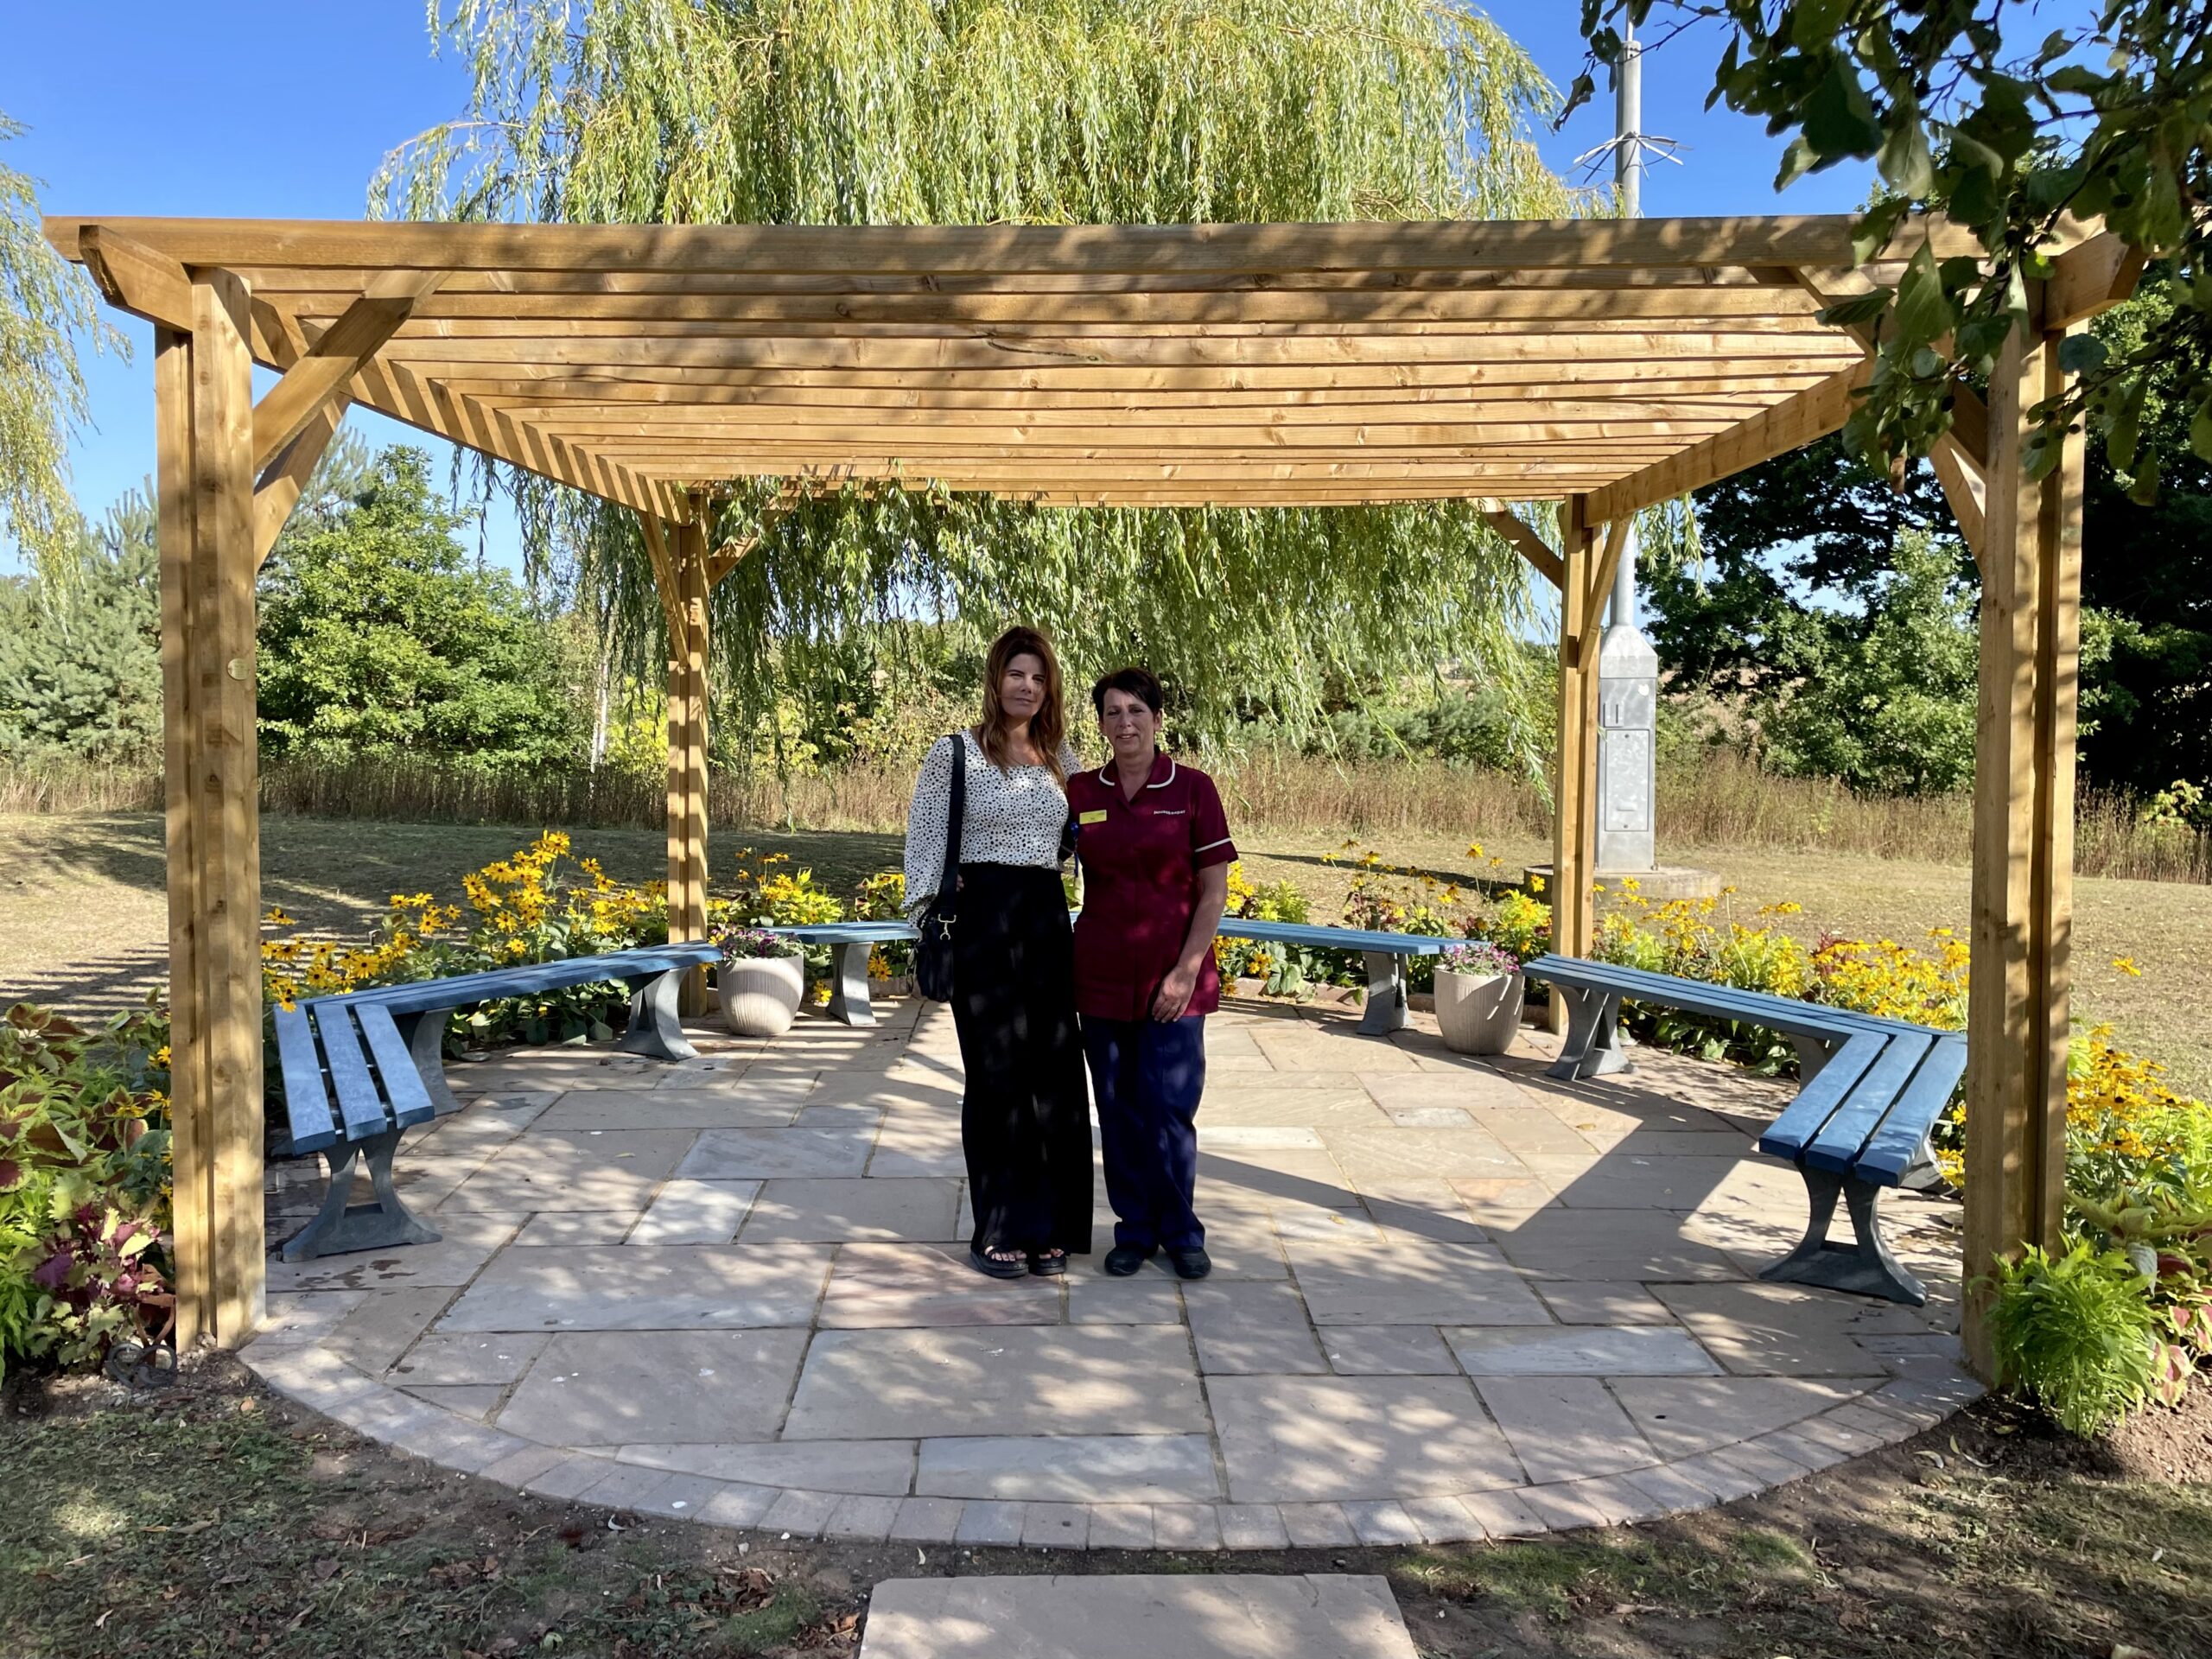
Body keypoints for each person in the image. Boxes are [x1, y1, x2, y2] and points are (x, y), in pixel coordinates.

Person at [903, 626, 1091, 1280]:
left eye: (1039, 678)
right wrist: (935, 909)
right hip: (983, 921)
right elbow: (925, 841)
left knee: (1054, 1074)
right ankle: (1000, 1226)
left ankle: (1049, 1226)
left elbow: (1068, 842)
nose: (1028, 687)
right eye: (1017, 675)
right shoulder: (954, 752)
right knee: (996, 1076)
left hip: (1043, 921)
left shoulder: (1058, 753)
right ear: (995, 679)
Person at [1064, 666, 1236, 1280]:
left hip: (1174, 980)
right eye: (1113, 712)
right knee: (1117, 1109)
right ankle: (1133, 1229)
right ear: (1102, 724)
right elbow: (1038, 857)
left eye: (1136, 710)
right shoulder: (1081, 792)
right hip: (1101, 976)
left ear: (1158, 720)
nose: (1125, 723)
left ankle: (1182, 1231)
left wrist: (1186, 971)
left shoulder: (1192, 789)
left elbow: (1214, 892)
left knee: (1169, 1108)